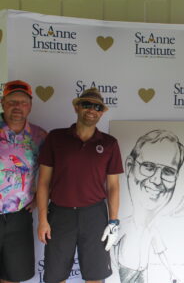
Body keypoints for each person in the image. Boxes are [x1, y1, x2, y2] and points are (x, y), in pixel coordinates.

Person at [36, 88, 123, 283]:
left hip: (95, 216)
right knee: (56, 276)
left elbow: (113, 186)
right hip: (60, 215)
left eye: (97, 107)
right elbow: (43, 182)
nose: (92, 109)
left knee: (95, 276)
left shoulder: (109, 144)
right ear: (77, 107)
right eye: (86, 104)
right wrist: (42, 219)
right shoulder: (55, 138)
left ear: (102, 112)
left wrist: (114, 222)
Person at [116, 129, 184, 283]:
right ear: (129, 166)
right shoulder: (122, 226)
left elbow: (161, 253)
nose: (156, 180)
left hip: (142, 274)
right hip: (124, 274)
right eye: (148, 166)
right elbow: (109, 257)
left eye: (168, 171)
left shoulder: (153, 230)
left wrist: (172, 273)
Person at [0, 80, 46, 283]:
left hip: (19, 217)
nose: (17, 107)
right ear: (3, 103)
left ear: (30, 106)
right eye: (11, 102)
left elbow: (50, 174)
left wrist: (39, 198)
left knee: (13, 276)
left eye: (22, 102)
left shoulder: (40, 137)